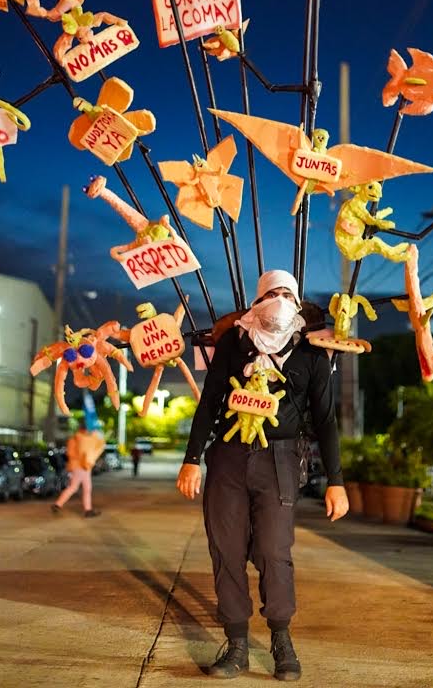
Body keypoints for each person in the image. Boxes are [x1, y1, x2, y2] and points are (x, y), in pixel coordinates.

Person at [177, 270, 349, 681]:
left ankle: (281, 639)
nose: (280, 299)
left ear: (298, 303)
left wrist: (337, 481)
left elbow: (325, 420)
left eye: (288, 293)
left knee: (273, 550)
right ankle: (236, 643)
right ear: (256, 301)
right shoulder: (233, 346)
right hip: (228, 458)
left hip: (281, 460)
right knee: (227, 549)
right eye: (272, 293)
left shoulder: (311, 353)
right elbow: (208, 406)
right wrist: (191, 459)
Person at [52, 423, 104, 518]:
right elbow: (95, 446)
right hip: (82, 466)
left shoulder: (74, 438)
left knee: (81, 487)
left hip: (78, 466)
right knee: (80, 488)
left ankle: (59, 504)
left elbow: (70, 453)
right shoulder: (82, 439)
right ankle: (86, 510)